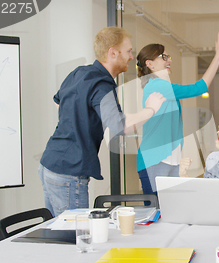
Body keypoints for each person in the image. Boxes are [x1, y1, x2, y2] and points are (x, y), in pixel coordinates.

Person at [39, 27, 166, 217]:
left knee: (59, 232)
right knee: (76, 235)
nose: (132, 56)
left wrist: (78, 124)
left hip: (49, 163)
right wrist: (151, 109)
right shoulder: (102, 84)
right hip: (68, 172)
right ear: (113, 53)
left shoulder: (79, 73)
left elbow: (58, 103)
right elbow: (119, 126)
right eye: (128, 51)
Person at [135, 27, 219, 196]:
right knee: (158, 210)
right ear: (150, 63)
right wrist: (218, 54)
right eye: (164, 57)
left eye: (168, 57)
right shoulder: (156, 85)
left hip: (168, 160)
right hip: (155, 160)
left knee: (169, 209)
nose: (169, 60)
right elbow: (199, 87)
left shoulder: (162, 86)